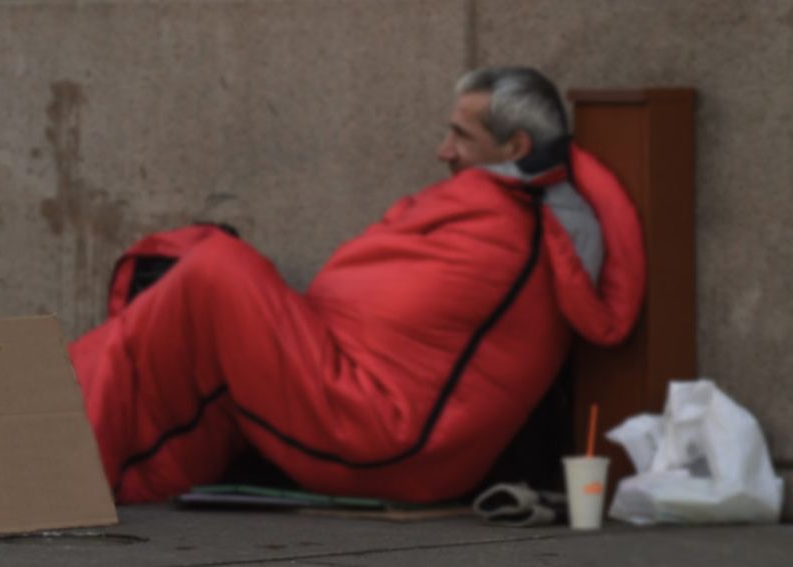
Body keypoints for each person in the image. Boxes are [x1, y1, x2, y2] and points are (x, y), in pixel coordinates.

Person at [68, 66, 645, 504]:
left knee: (218, 268)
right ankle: (38, 424)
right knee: (193, 300)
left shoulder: (513, 230)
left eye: (461, 137)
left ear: (515, 148)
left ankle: (55, 454)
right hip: (363, 407)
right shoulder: (505, 217)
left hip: (385, 437)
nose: (444, 152)